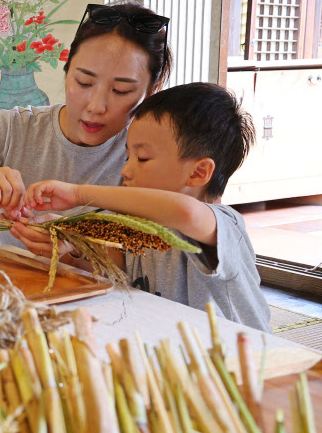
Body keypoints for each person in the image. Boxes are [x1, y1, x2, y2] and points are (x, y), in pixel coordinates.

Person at [0, 1, 171, 249]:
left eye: (121, 90)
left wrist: (72, 248)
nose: (96, 106)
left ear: (150, 91)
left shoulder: (147, 152)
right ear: (67, 68)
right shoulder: (16, 127)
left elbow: (155, 248)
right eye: (83, 83)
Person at [21, 82, 271, 332]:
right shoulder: (142, 226)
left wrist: (78, 194)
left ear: (198, 172)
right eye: (128, 157)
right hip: (174, 352)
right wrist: (69, 246)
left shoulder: (224, 224)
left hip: (240, 359)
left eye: (142, 158)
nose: (125, 170)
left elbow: (186, 212)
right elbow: (113, 269)